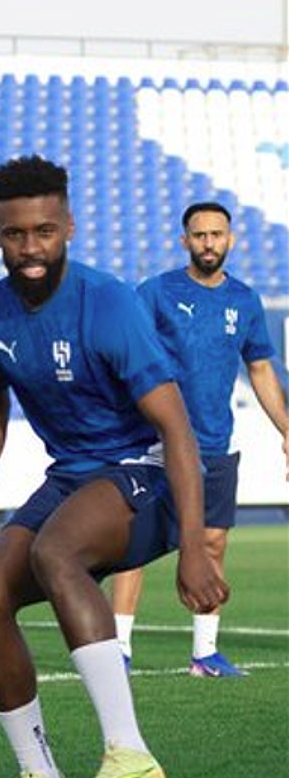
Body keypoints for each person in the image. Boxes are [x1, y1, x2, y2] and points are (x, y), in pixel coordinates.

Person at [0, 155, 228, 778]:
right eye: (15, 234)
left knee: (57, 551)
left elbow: (177, 430)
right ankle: (38, 774)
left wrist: (194, 546)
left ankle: (129, 753)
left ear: (68, 226)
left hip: (147, 466)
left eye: (44, 231)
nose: (31, 247)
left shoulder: (108, 303)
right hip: (73, 474)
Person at [112, 202, 289, 675]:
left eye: (216, 234)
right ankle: (119, 649)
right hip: (155, 441)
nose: (208, 243)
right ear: (184, 240)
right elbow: (124, 352)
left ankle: (204, 653)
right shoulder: (155, 292)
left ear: (231, 240)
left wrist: (287, 429)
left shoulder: (245, 300)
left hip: (215, 442)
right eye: (199, 235)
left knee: (212, 544)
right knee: (133, 544)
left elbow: (260, 369)